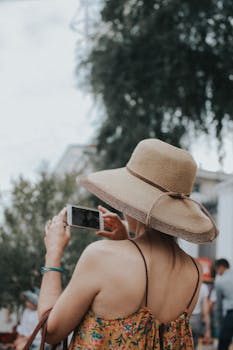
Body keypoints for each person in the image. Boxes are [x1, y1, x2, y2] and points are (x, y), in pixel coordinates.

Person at [38, 138, 218, 349]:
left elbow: (49, 331)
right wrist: (127, 241)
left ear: (132, 201)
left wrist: (53, 253)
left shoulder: (101, 257)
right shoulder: (194, 271)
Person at [215, 258, 233, 350]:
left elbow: (219, 305)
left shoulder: (219, 281)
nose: (217, 273)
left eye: (217, 270)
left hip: (230, 314)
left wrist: (219, 321)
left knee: (223, 343)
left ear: (221, 267)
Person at [190, 282, 211, 349]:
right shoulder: (203, 286)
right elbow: (205, 311)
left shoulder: (182, 283)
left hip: (181, 319)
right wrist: (207, 330)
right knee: (194, 345)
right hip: (196, 320)